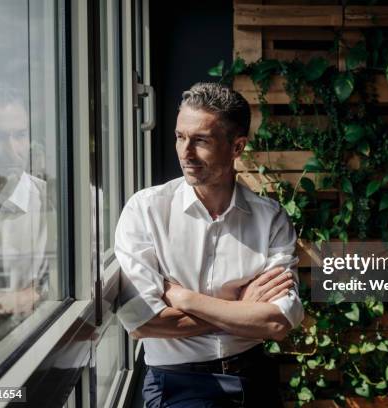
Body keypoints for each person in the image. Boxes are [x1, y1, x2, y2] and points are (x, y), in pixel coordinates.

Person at [114, 82, 304, 408]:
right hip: (175, 384)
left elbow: (276, 322)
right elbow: (143, 322)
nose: (185, 153)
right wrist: (241, 307)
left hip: (253, 376)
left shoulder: (270, 218)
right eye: (179, 137)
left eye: (200, 140)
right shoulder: (145, 210)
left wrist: (182, 297)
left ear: (237, 146)